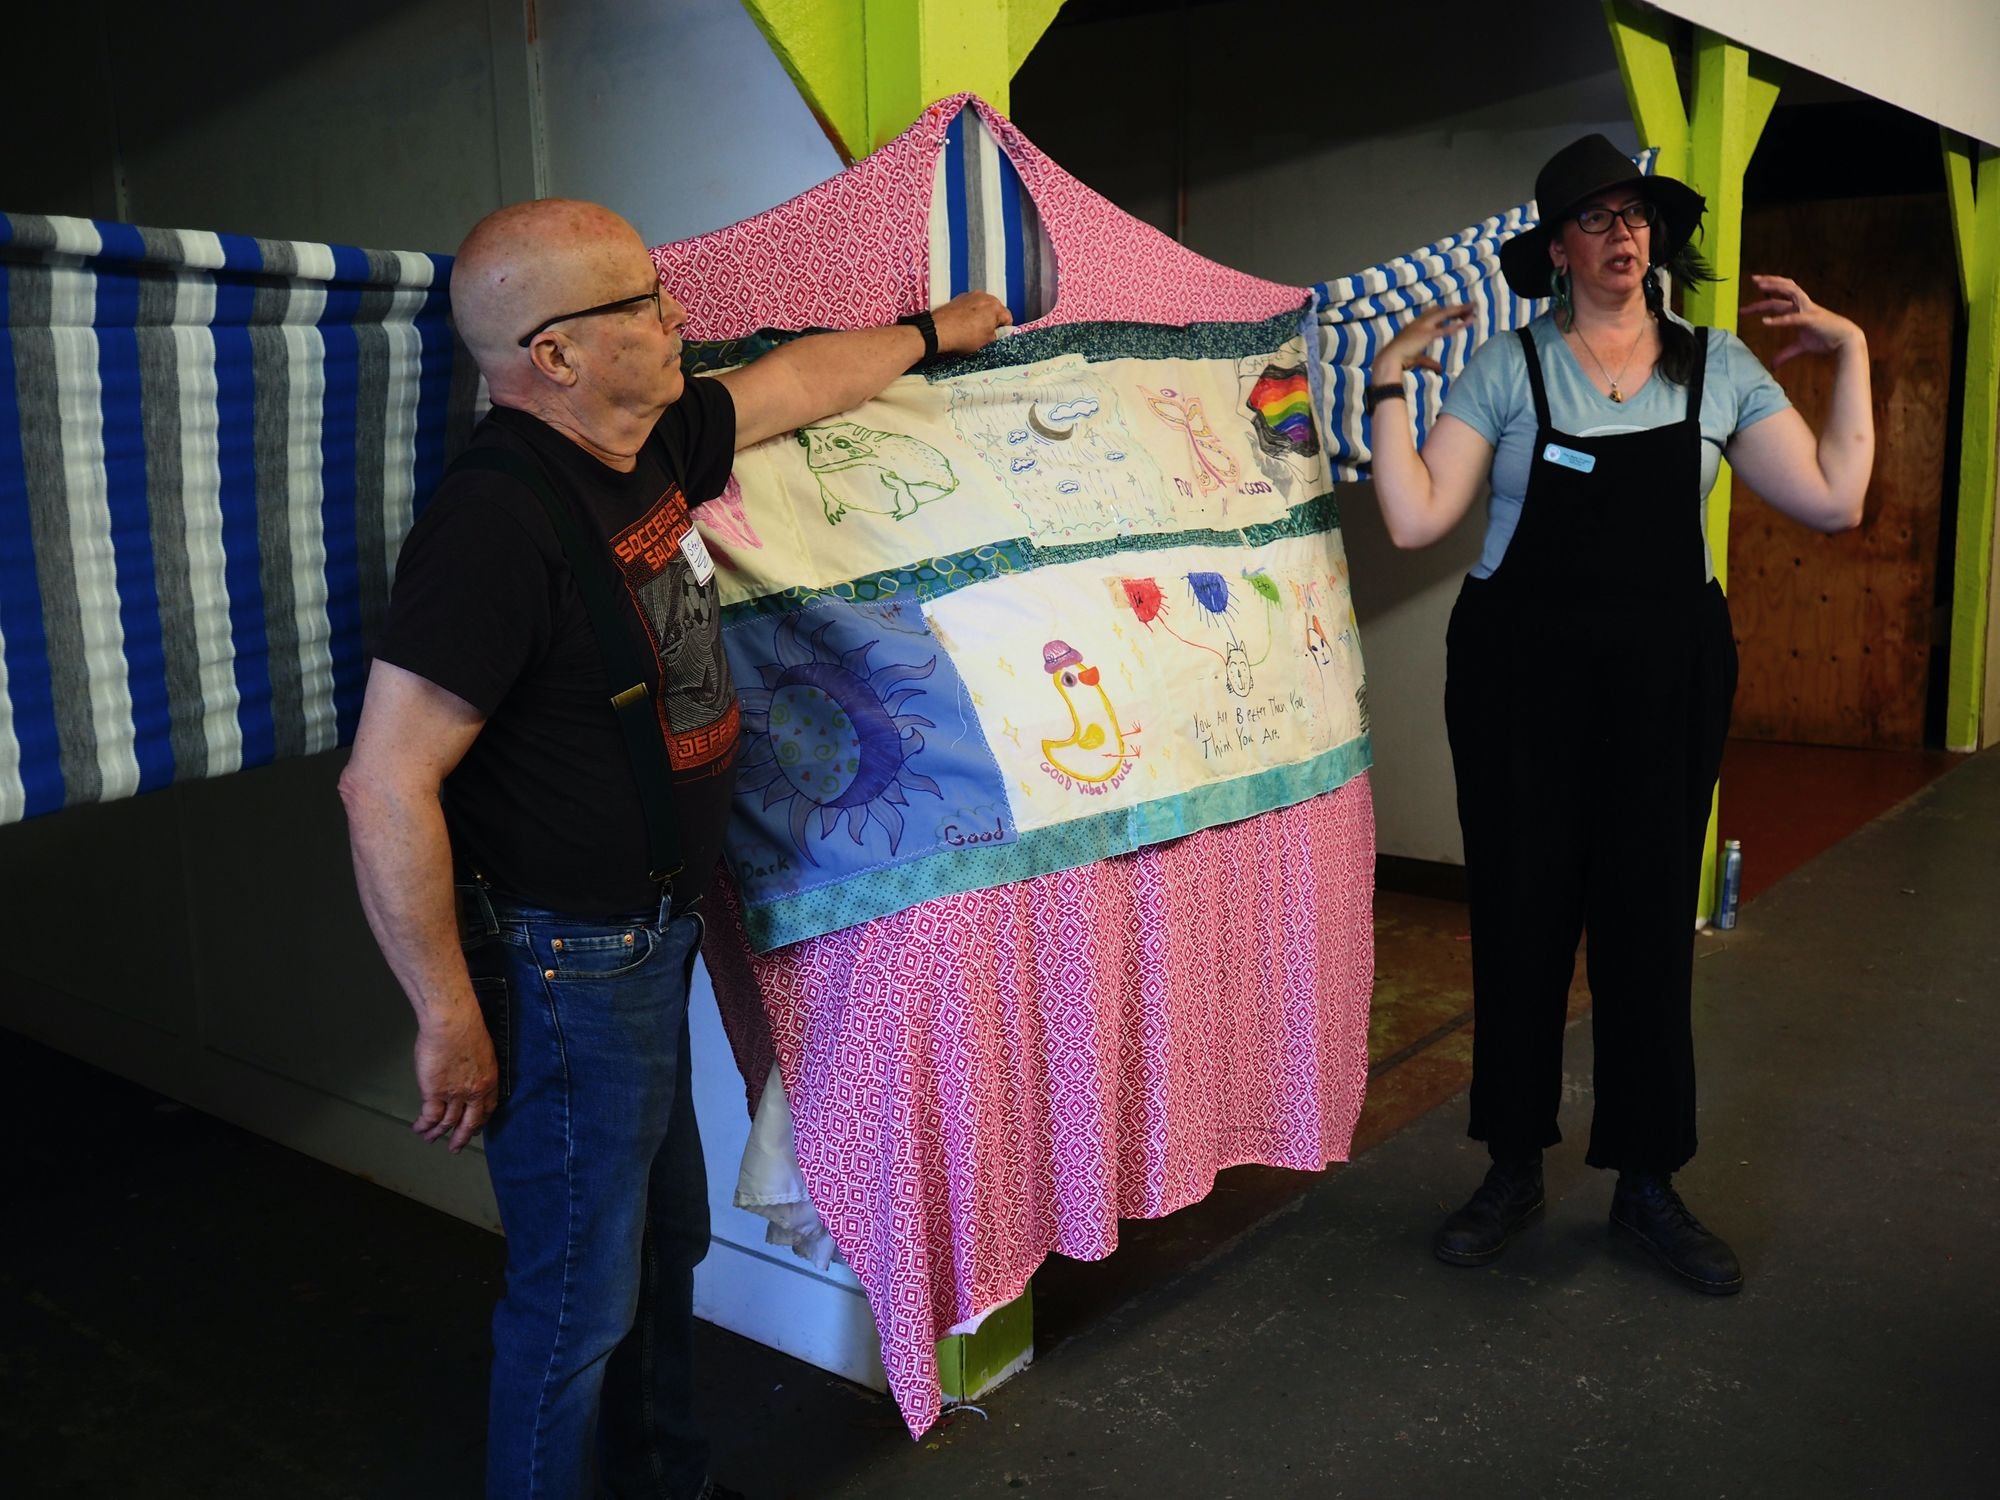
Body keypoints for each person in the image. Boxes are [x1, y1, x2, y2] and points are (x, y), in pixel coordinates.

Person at [337, 197, 1009, 1500]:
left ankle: (667, 1484)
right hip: (563, 965)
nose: (676, 315)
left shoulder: (642, 442)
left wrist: (934, 331)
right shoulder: (497, 524)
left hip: (645, 943)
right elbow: (384, 783)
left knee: (662, 1248)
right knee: (578, 1299)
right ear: (556, 355)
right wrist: (445, 1015)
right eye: (643, 304)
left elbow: (793, 382)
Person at [1365, 135, 1872, 1295]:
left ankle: (1647, 1182)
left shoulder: (1715, 366)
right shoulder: (1505, 366)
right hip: (1514, 682)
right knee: (1518, 915)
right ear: (1557, 250)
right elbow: (1411, 518)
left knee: (1646, 924)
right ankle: (1509, 1166)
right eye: (1592, 219)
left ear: (1653, 239)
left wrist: (1845, 354)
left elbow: (1833, 501)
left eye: (1632, 215)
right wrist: (1392, 380)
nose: (1619, 233)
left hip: (1664, 677)